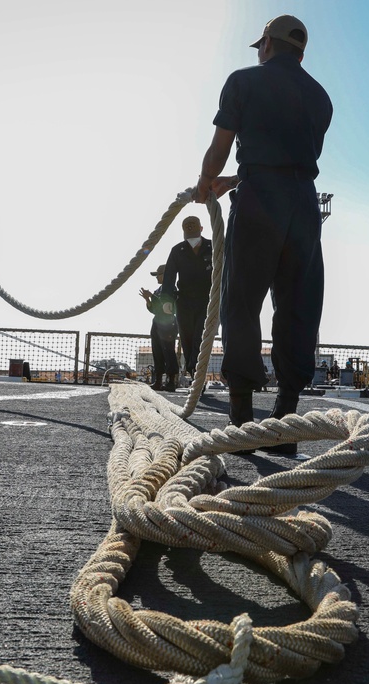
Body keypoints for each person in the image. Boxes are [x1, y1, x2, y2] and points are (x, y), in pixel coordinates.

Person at [193, 14, 332, 456]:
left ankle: (240, 419)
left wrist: (206, 182)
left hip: (257, 203)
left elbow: (221, 146)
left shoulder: (243, 81)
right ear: (302, 52)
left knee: (242, 302)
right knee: (298, 305)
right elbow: (290, 161)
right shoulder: (321, 98)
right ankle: (286, 419)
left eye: (260, 45)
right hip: (303, 204)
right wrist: (240, 178)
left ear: (268, 45)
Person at [161, 216, 212, 381]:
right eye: (187, 226)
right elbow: (169, 276)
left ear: (201, 228)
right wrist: (167, 300)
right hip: (184, 301)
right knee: (187, 337)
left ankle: (196, 372)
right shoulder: (177, 250)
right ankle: (192, 371)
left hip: (207, 301)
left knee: (200, 336)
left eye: (193, 225)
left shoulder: (213, 247)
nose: (190, 228)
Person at [139, 263, 178, 391]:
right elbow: (155, 310)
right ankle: (159, 381)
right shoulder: (159, 290)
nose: (156, 278)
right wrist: (148, 300)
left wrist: (152, 297)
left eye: (158, 275)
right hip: (157, 324)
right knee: (157, 352)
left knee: (169, 352)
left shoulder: (171, 289)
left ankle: (171, 382)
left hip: (168, 325)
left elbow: (168, 308)